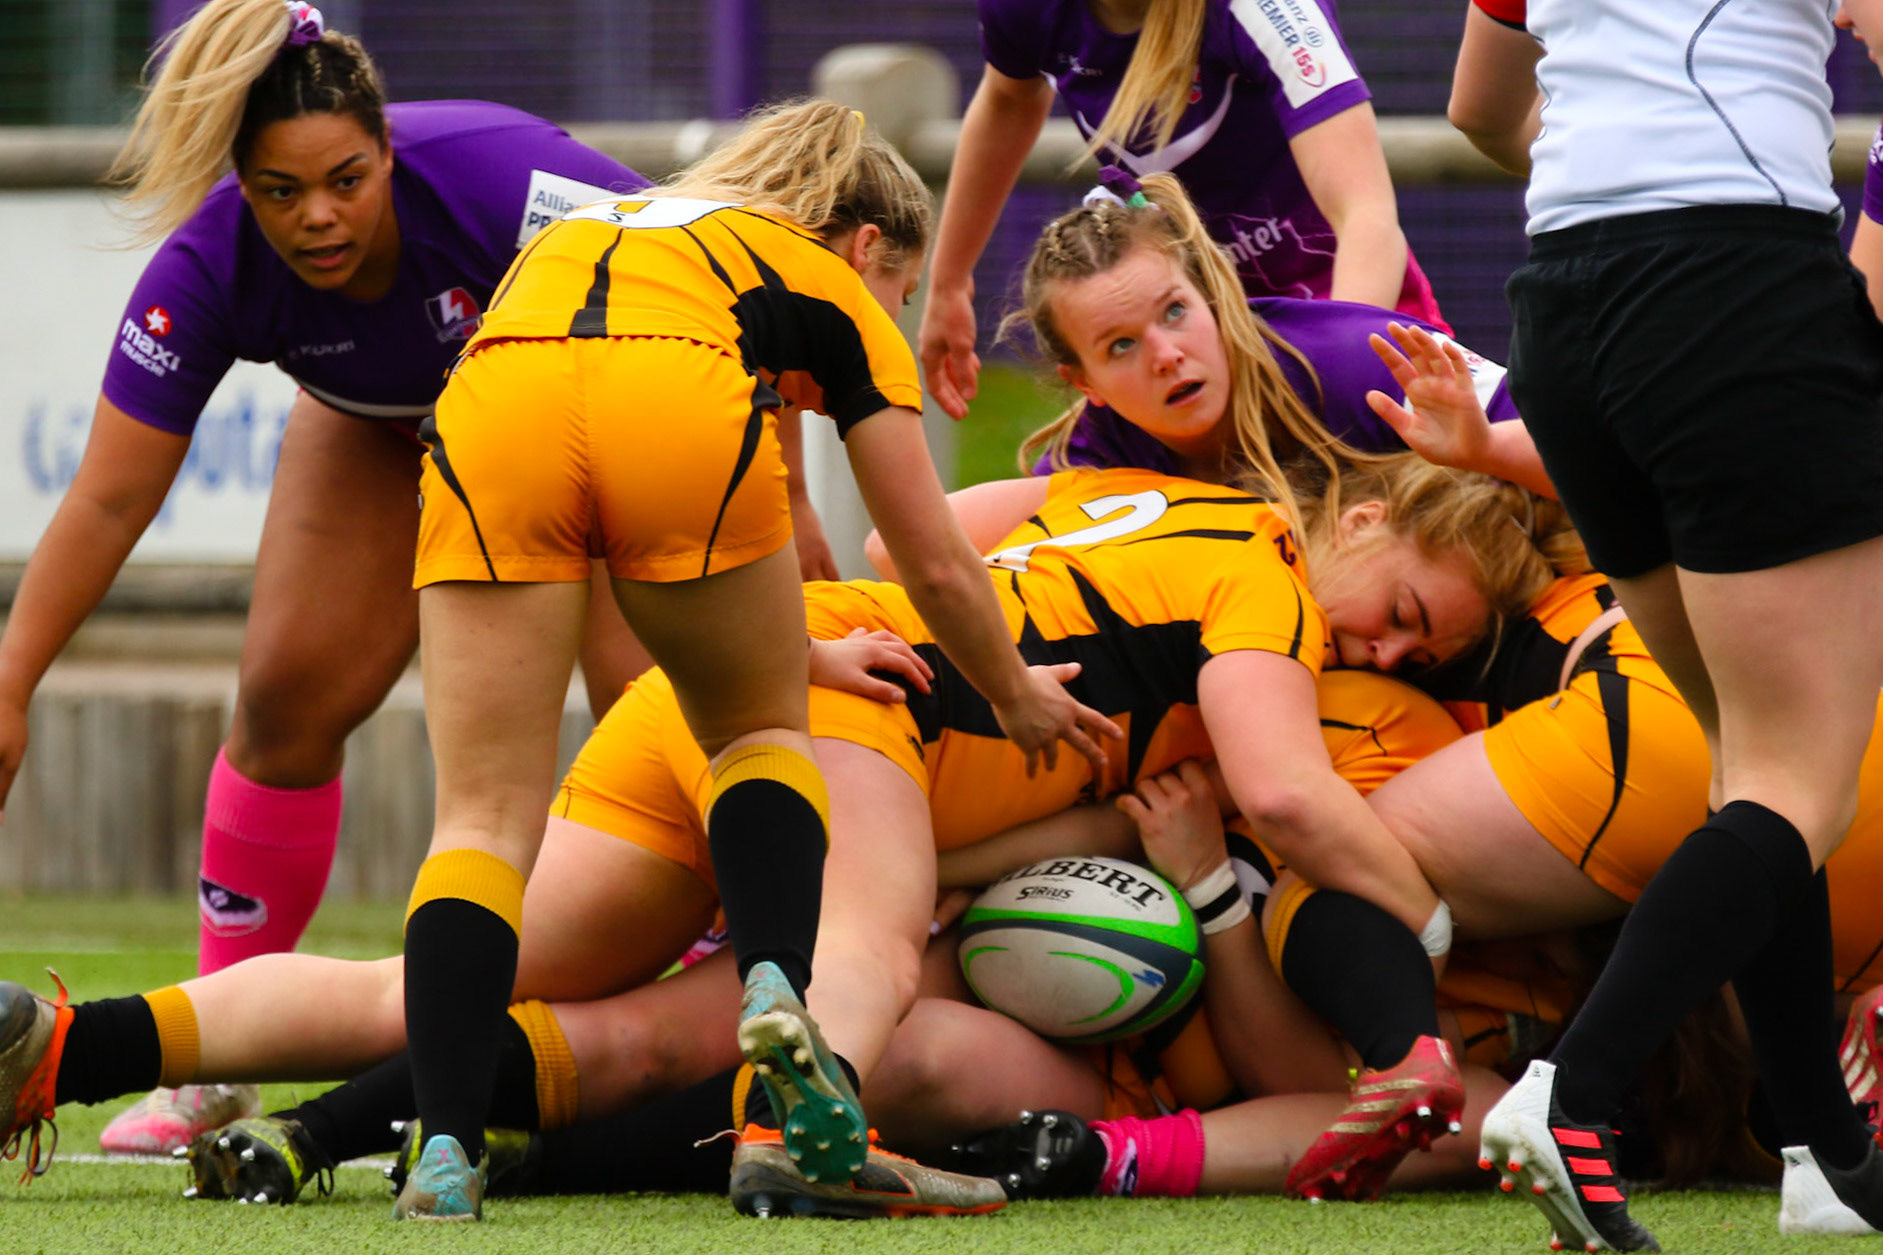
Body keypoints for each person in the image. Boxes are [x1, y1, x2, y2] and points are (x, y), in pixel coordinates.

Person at [0, 451, 1554, 1211]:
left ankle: (74, 1043)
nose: (1386, 651)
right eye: (1404, 612)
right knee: (854, 948)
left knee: (442, 979)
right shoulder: (1265, 589)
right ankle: (790, 1140)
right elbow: (1284, 792)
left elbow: (926, 535)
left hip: (749, 675)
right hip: (861, 711)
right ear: (1359, 518)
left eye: (1420, 653)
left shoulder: (1148, 500)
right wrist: (1418, 913)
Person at [388, 96, 1122, 1221]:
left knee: (480, 821)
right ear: (866, 249)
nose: (894, 311)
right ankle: (776, 981)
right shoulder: (824, 283)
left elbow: (593, 403)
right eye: (903, 293)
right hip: (673, 401)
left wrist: (808, 648)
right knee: (758, 734)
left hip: (499, 395)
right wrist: (1012, 691)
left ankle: (444, 1149)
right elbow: (932, 558)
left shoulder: (598, 228)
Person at [0, 0, 655, 1155]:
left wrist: (782, 502)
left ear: (387, 151)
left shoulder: (500, 175)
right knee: (283, 701)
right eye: (280, 192)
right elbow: (107, 498)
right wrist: (9, 685)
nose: (317, 217)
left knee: (648, 714)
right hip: (380, 425)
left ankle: (690, 1001)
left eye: (346, 181)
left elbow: (701, 283)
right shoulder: (206, 264)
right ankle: (216, 1057)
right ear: (242, 189)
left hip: (590, 418)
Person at [1450, 2, 1883, 1248]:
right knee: (1798, 781)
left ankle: (1824, 1158)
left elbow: (1480, 109)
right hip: (1737, 291)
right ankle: (1570, 1093)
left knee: (1752, 768)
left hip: (1564, 302)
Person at [918, 0, 1444, 421]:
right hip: (1185, 345)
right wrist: (948, 282)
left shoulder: (1263, 10)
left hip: (1348, 318)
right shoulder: (1026, 10)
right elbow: (1008, 100)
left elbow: (1365, 216)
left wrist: (1334, 387)